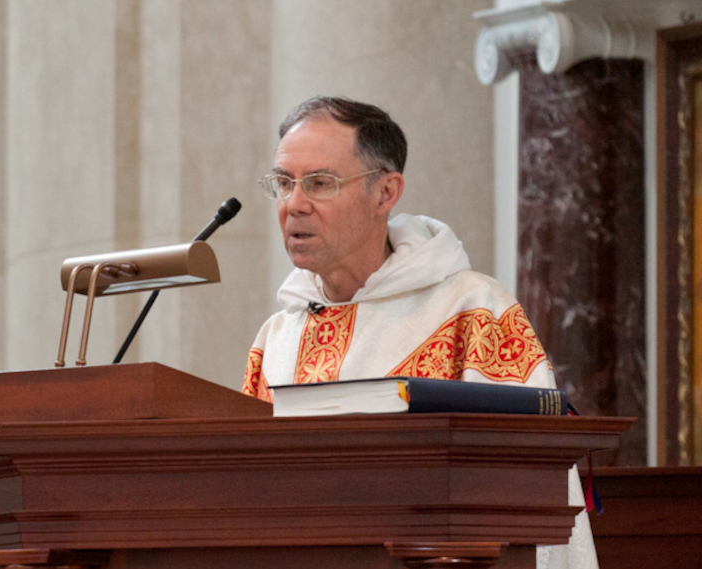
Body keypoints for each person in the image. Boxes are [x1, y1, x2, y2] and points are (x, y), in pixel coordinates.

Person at [241, 96, 598, 569]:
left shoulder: (473, 312)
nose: (294, 205)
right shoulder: (278, 336)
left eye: (320, 183)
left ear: (386, 193)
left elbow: (531, 491)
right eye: (284, 183)